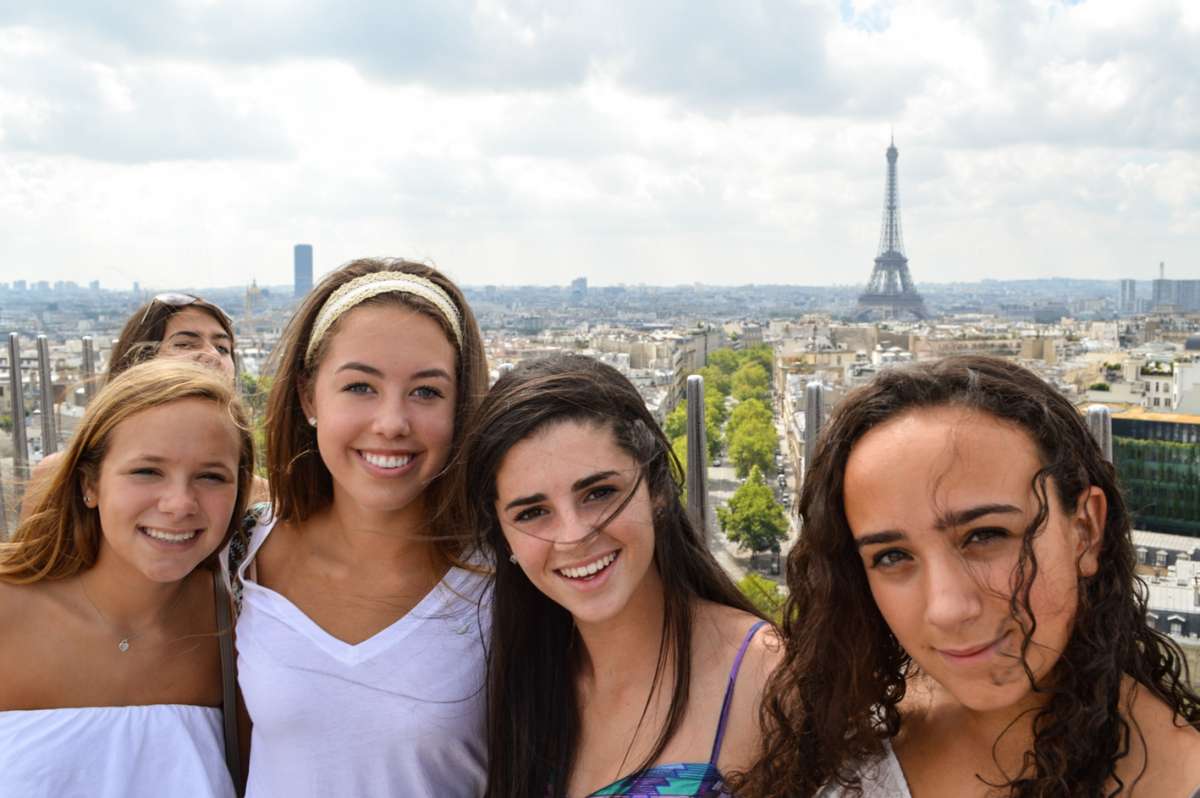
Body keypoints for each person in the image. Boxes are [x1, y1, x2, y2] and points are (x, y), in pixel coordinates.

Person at [739, 355, 1200, 797]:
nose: (947, 609)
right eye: (892, 556)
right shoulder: (840, 724)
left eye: (985, 536)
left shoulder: (850, 730)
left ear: (1085, 530)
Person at [460, 354, 778, 798]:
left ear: (658, 488)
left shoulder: (768, 677)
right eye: (532, 513)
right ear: (503, 537)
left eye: (599, 493)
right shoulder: (520, 684)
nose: (573, 536)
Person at [229, 258, 491, 796]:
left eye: (426, 392)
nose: (392, 423)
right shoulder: (243, 557)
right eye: (360, 387)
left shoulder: (505, 578)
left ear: (460, 407)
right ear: (308, 396)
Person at [0, 359, 255, 797]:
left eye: (211, 477)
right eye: (147, 471)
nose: (179, 503)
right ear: (89, 484)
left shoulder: (241, 624)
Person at [22, 292, 240, 520]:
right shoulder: (57, 476)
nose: (212, 355)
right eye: (185, 344)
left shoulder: (254, 494)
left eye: (222, 348)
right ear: (138, 360)